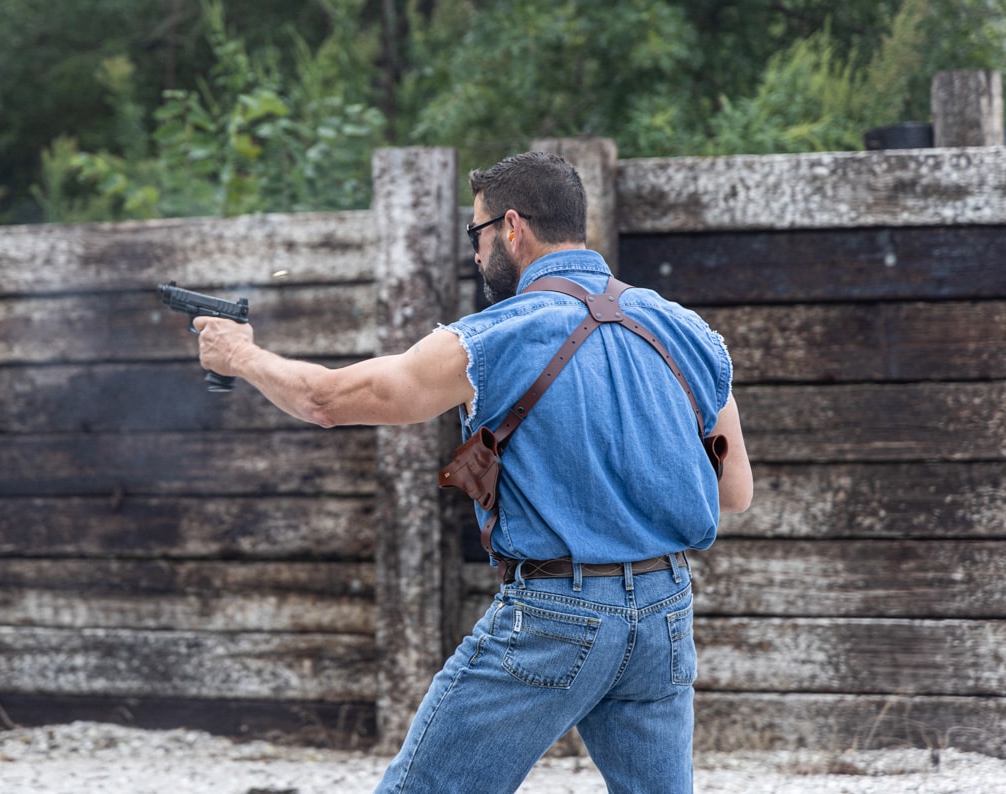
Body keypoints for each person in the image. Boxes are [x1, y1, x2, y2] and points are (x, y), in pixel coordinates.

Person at [193, 151, 753, 794]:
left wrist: (240, 355)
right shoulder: (689, 333)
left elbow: (325, 399)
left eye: (477, 233)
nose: (476, 253)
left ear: (512, 228)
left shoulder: (494, 336)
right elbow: (733, 493)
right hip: (664, 618)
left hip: (555, 617)